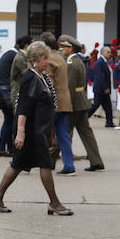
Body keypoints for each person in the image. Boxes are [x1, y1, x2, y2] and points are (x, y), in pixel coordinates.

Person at [0, 41, 73, 216]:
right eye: (44, 58)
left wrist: (51, 130)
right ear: (34, 59)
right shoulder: (30, 78)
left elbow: (48, 106)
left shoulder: (41, 77)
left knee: (18, 164)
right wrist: (20, 132)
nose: (47, 61)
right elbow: (23, 108)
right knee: (44, 164)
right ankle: (54, 203)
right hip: (32, 132)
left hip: (39, 130)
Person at [60, 36, 104, 172]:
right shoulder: (77, 61)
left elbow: (70, 86)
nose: (62, 49)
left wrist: (66, 105)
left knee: (63, 132)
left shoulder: (72, 63)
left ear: (70, 48)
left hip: (74, 103)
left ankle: (48, 160)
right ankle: (96, 161)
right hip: (81, 102)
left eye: (64, 47)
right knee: (86, 133)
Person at [40, 33, 75, 176]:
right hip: (65, 103)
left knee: (40, 132)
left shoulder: (48, 60)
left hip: (53, 104)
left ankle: (26, 163)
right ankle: (69, 165)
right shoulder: (61, 58)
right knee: (64, 135)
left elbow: (48, 84)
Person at [0, 40, 19, 156]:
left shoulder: (8, 54)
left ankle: (8, 148)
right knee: (9, 121)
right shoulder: (14, 56)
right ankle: (2, 148)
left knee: (8, 120)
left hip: (2, 91)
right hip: (7, 93)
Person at [88, 46, 114, 127]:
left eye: (110, 52)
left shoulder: (104, 61)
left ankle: (109, 122)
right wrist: (105, 87)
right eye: (108, 52)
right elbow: (100, 76)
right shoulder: (99, 62)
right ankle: (83, 118)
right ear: (102, 53)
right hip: (100, 89)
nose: (110, 54)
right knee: (95, 106)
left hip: (103, 89)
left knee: (108, 106)